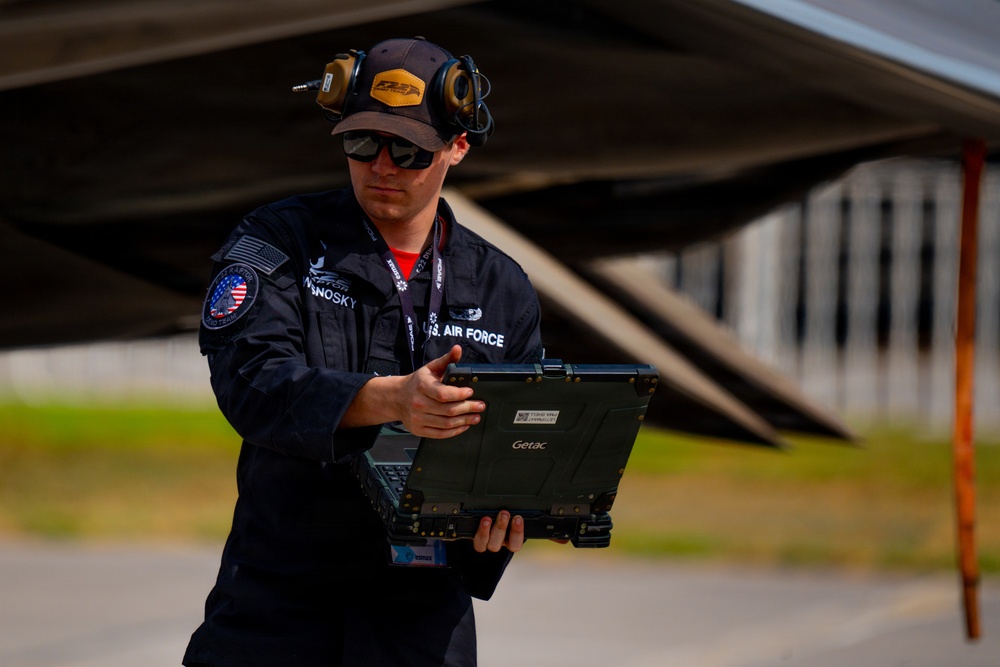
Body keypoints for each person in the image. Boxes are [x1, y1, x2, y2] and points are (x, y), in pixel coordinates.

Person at [182, 36, 544, 667]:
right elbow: (252, 381)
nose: (381, 166)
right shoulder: (278, 242)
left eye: (408, 150)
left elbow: (516, 445)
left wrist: (497, 529)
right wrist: (391, 401)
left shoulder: (500, 286)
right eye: (361, 143)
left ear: (457, 147)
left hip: (421, 627)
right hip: (277, 612)